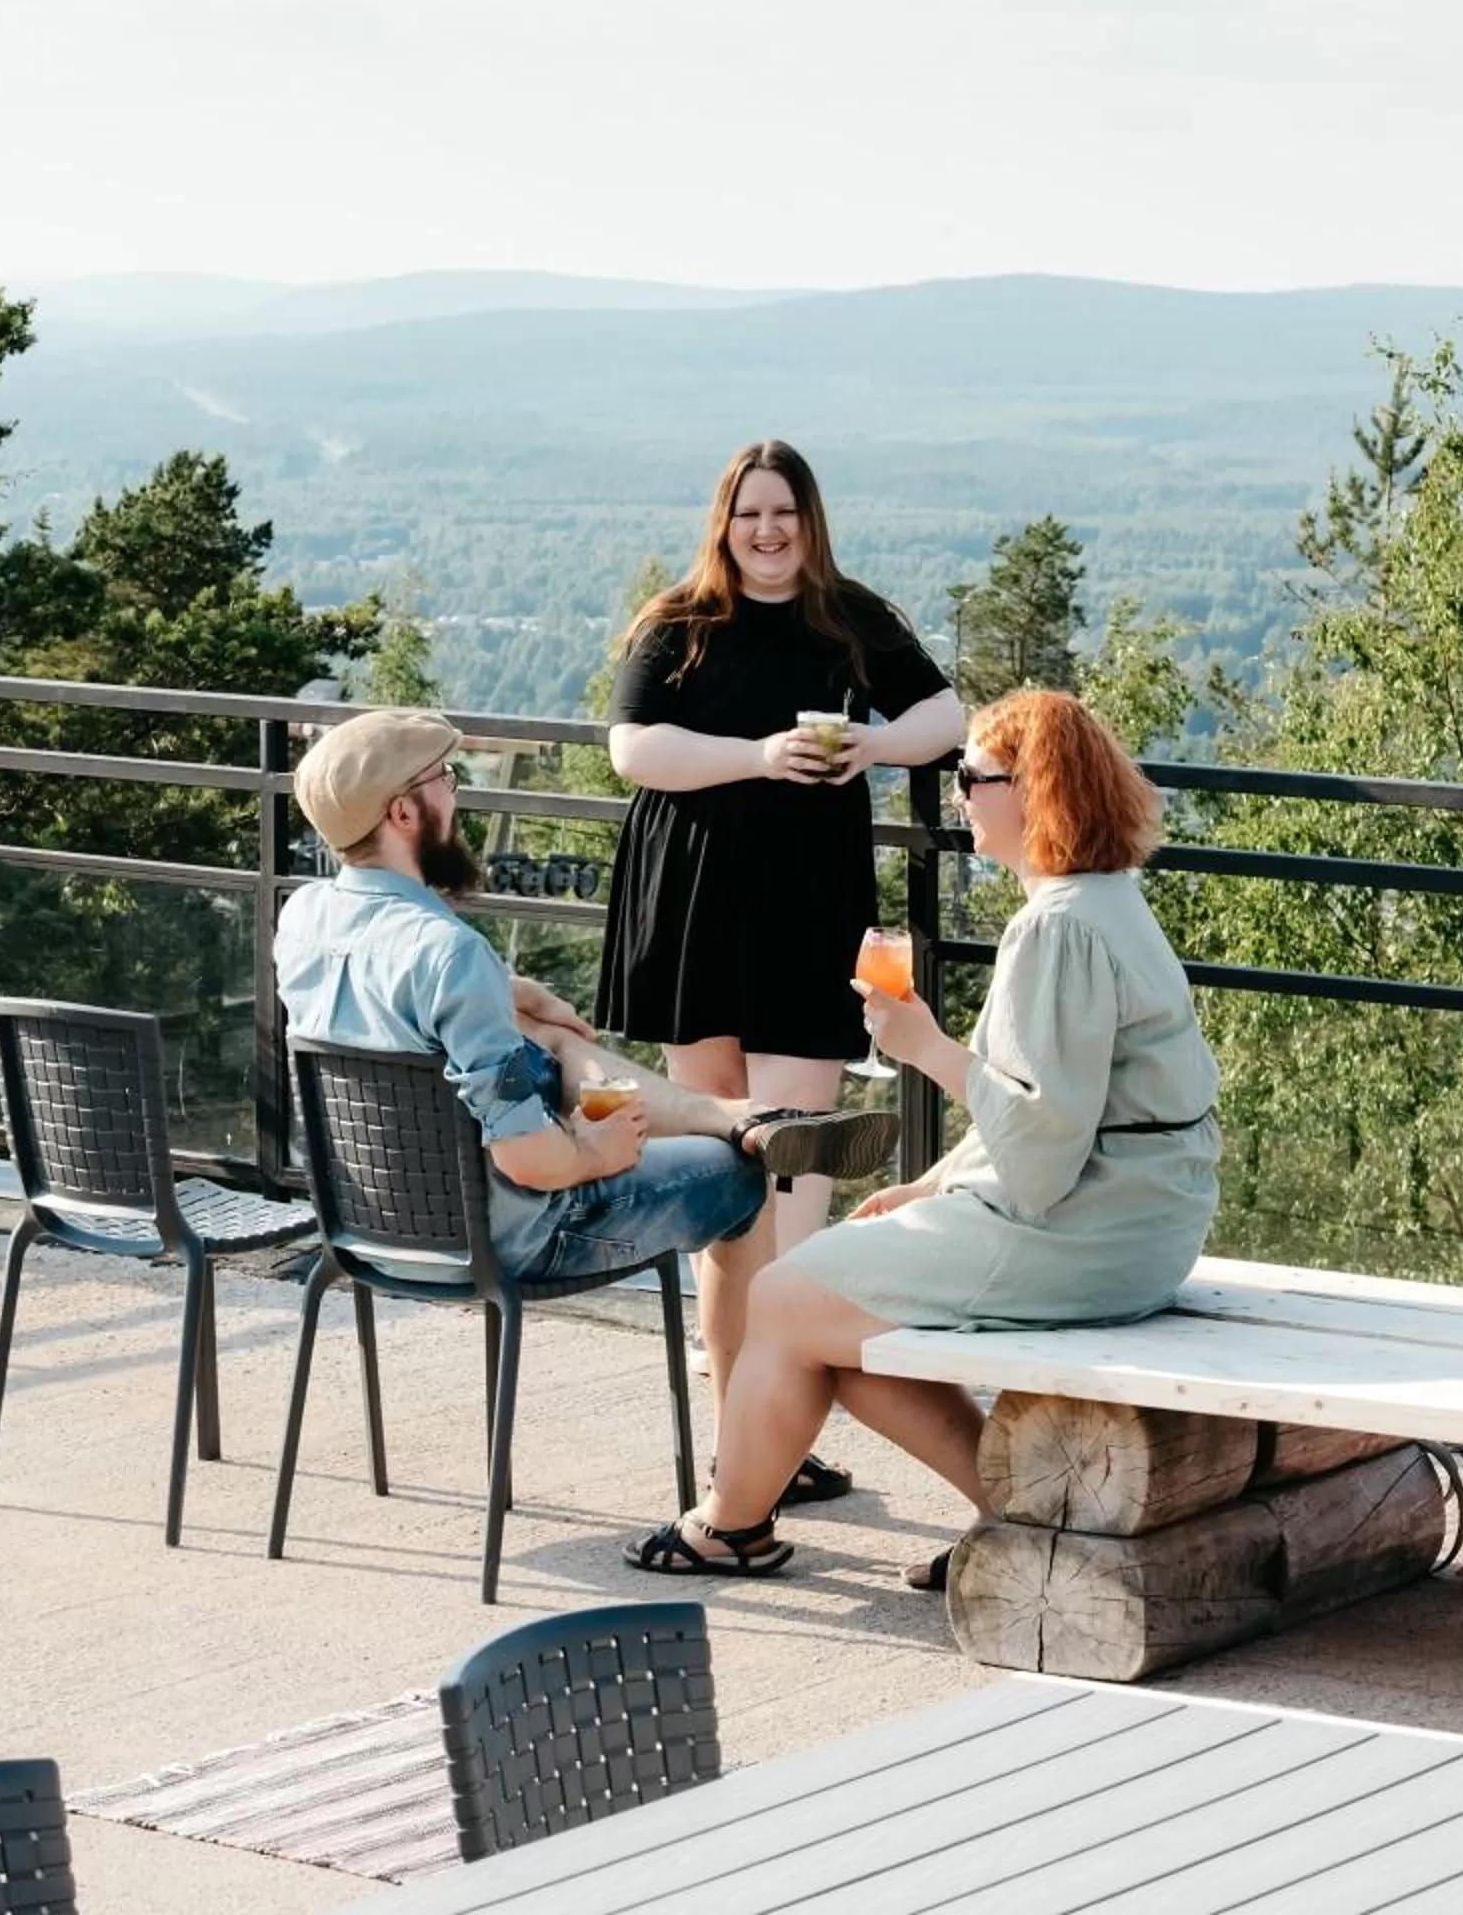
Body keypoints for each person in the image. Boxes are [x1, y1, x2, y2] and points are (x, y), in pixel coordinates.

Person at [625, 690, 1220, 1580]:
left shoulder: (1056, 930)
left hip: (1086, 1231)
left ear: (1034, 791)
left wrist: (925, 1047)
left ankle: (730, 1528)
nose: (957, 795)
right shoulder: (1106, 903)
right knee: (847, 1336)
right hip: (1141, 1219)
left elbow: (1043, 1150)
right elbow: (1072, 1110)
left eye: (971, 777)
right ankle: (1023, 1518)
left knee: (784, 1294)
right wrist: (933, 1186)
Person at [271, 706, 900, 1440]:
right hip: (507, 1236)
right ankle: (749, 1452)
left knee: (548, 1037)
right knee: (742, 1183)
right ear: (404, 812)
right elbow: (532, 1161)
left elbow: (392, 1000)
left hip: (366, 1226)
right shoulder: (448, 953)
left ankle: (738, 1116)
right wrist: (596, 1152)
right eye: (445, 780)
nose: (457, 796)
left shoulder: (305, 918)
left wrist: (513, 995)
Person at [600, 441, 963, 1263]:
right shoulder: (679, 621)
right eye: (750, 514)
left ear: (810, 520)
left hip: (809, 891)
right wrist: (760, 757)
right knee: (710, 1123)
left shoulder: (849, 615)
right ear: (724, 523)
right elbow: (632, 749)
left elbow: (944, 717)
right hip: (692, 886)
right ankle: (730, 1318)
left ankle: (784, 1300)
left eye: (783, 512)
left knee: (798, 1132)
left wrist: (876, 744)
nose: (767, 531)